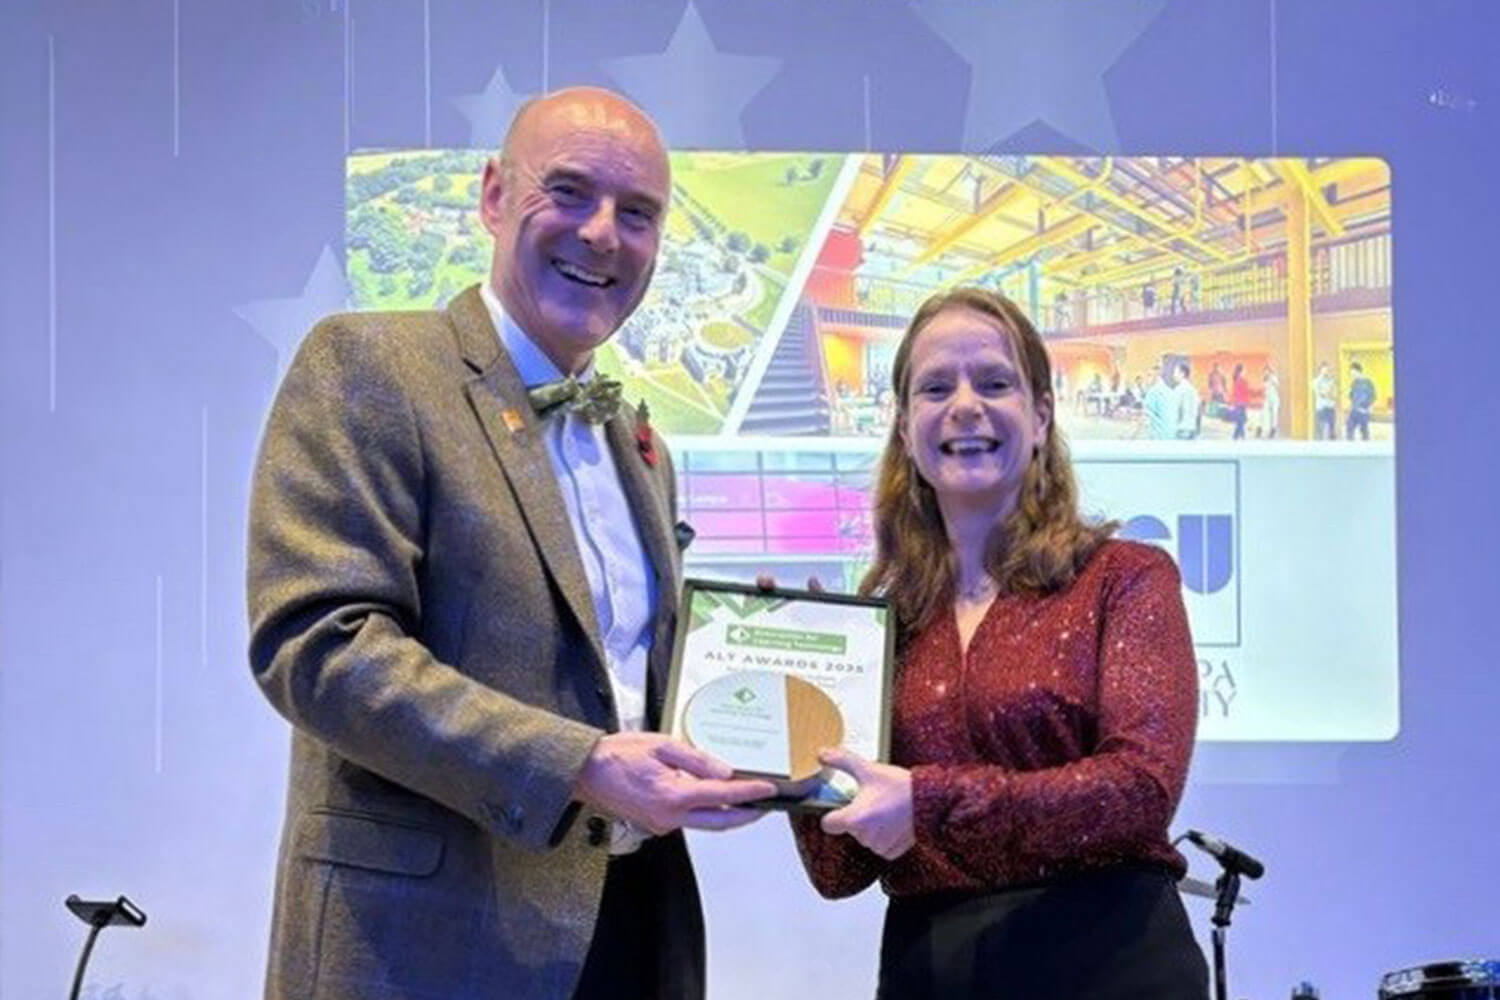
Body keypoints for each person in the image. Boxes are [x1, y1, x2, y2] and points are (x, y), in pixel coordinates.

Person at [247, 87, 774, 1000]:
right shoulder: (367, 364)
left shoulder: (641, 446)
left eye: (638, 213)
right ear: (494, 195)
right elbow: (319, 645)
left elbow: (609, 671)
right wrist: (578, 765)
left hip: (632, 922)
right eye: (568, 191)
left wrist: (752, 666)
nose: (603, 234)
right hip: (427, 946)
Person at [791, 287, 1206, 999]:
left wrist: (929, 801)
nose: (964, 405)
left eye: (993, 382)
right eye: (934, 387)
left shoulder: (1125, 579)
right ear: (903, 424)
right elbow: (840, 874)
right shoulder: (883, 629)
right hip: (931, 968)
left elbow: (1139, 793)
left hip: (1111, 962)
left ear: (1040, 416)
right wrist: (797, 705)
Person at [1142, 357, 1179, 440]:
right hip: (1171, 436)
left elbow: (1146, 417)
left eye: (1149, 375)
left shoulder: (1153, 392)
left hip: (1158, 436)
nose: (1147, 379)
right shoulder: (1169, 391)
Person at [1346, 361, 1376, 440]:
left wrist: (1370, 407)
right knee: (1349, 428)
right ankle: (1350, 448)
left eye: (1353, 373)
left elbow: (1373, 396)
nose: (1352, 375)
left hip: (1363, 410)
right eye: (1351, 374)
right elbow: (1351, 396)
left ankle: (1366, 449)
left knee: (1364, 431)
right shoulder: (1354, 383)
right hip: (1354, 410)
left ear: (1358, 371)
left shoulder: (1368, 382)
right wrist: (1349, 394)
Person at [1173, 360, 1202, 439]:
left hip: (1181, 429)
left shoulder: (1178, 390)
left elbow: (1175, 410)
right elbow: (1199, 411)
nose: (1174, 375)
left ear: (1182, 374)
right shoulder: (1194, 390)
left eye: (1175, 373)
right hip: (1192, 428)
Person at [1312, 361, 1337, 439]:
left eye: (1327, 370)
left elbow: (1334, 395)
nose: (1326, 372)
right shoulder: (1316, 381)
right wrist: (1328, 392)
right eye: (1324, 370)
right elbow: (1321, 394)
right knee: (1319, 430)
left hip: (1331, 407)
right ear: (1320, 371)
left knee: (1332, 430)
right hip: (1321, 408)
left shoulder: (1332, 381)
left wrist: (1329, 393)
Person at [1258, 363, 1280, 438]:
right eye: (1265, 371)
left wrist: (1272, 378)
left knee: (1274, 414)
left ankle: (1273, 430)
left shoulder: (1273, 377)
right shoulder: (1264, 379)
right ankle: (1261, 428)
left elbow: (1277, 385)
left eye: (1267, 370)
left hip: (1274, 398)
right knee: (1263, 414)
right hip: (1267, 398)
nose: (1266, 372)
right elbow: (1263, 388)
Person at [1229, 362, 1250, 440]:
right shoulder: (1241, 380)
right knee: (1241, 421)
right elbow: (1245, 391)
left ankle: (1238, 437)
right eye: (1244, 370)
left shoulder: (1237, 380)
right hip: (1241, 403)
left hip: (1238, 402)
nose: (1245, 372)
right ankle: (1239, 437)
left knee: (1240, 421)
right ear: (1241, 371)